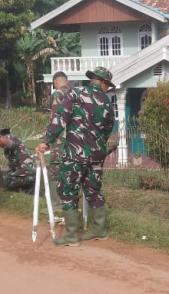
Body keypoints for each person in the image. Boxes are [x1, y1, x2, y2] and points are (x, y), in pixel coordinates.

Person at [36, 67, 115, 247]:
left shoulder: (75, 94)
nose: (107, 89)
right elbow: (109, 129)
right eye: (107, 85)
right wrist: (96, 143)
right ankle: (99, 230)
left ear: (92, 80)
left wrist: (46, 142)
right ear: (102, 83)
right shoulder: (107, 103)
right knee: (94, 190)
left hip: (75, 154)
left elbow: (60, 119)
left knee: (68, 190)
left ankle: (71, 235)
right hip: (96, 155)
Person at [46, 71, 72, 213]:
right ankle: (70, 204)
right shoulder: (76, 93)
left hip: (60, 141)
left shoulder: (58, 94)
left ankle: (56, 206)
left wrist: (47, 140)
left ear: (56, 82)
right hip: (74, 142)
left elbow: (55, 119)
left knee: (56, 171)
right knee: (70, 172)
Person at [0, 128, 36, 193]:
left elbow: (11, 144)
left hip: (25, 173)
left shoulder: (9, 137)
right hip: (29, 173)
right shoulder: (13, 141)